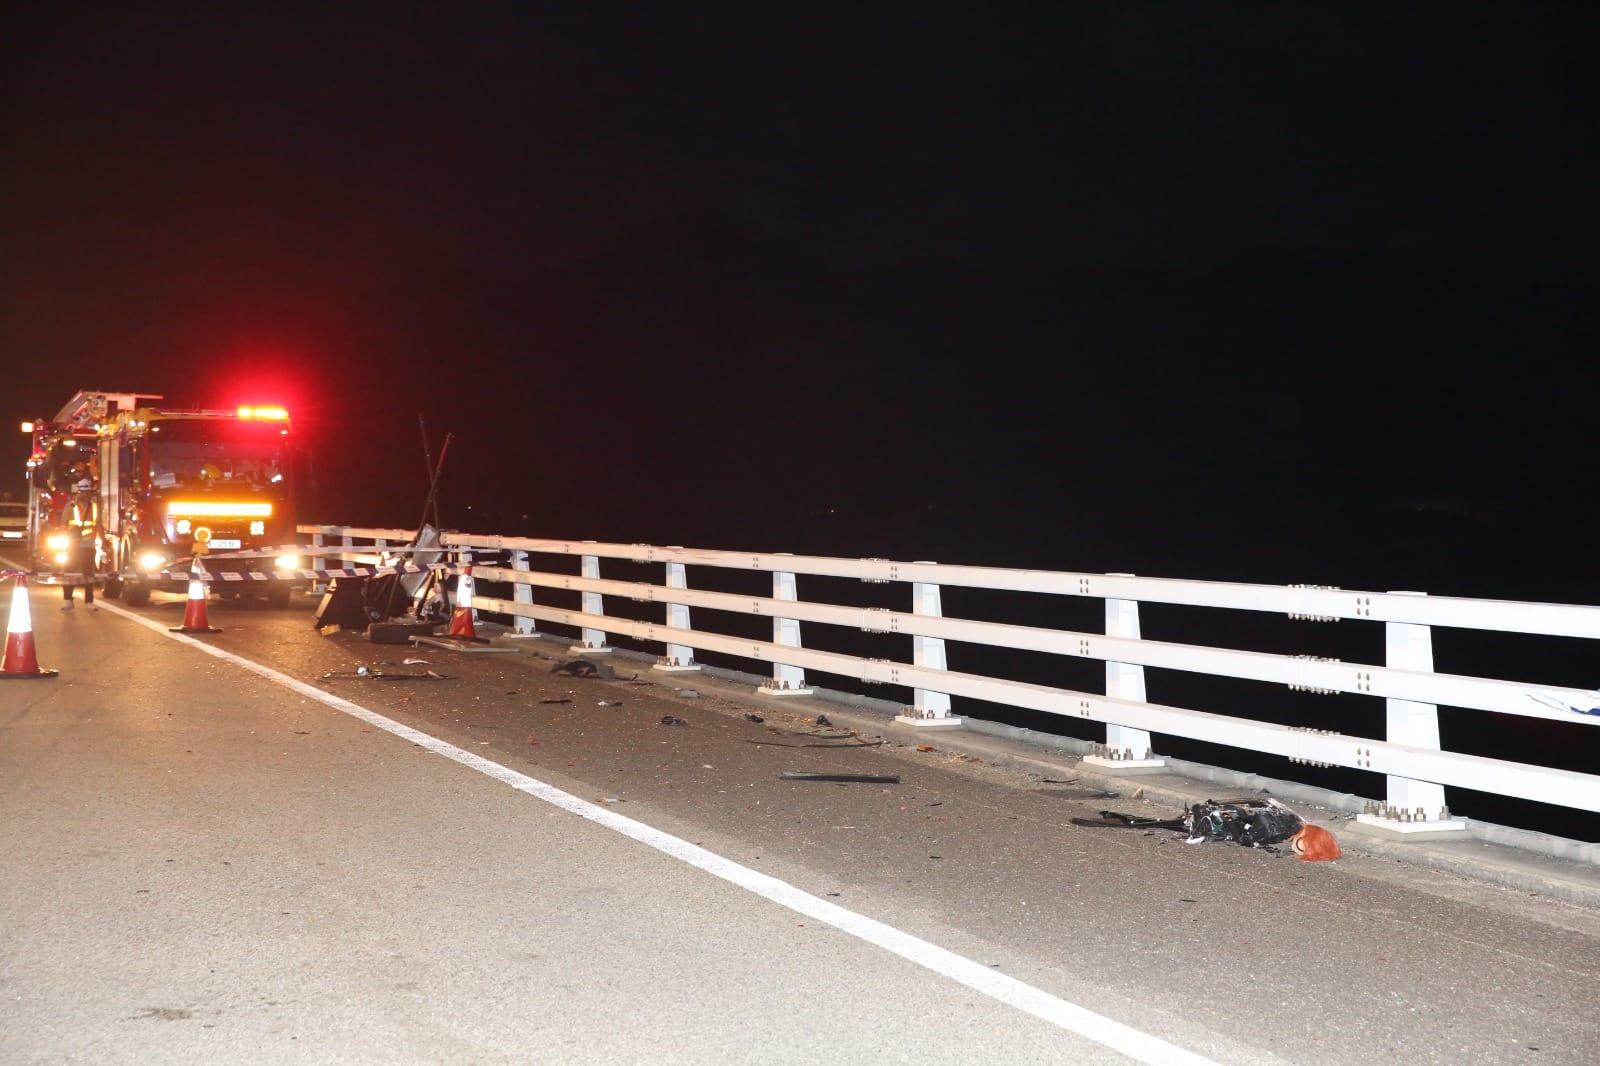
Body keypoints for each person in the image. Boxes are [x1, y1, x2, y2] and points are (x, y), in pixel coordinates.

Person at [61, 476, 97, 611]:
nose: (85, 494)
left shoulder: (94, 507)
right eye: (83, 492)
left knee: (88, 574)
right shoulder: (71, 506)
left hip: (88, 544)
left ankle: (89, 602)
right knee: (69, 573)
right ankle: (68, 601)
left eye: (87, 492)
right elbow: (64, 523)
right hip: (73, 544)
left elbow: (98, 524)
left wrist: (104, 542)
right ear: (79, 492)